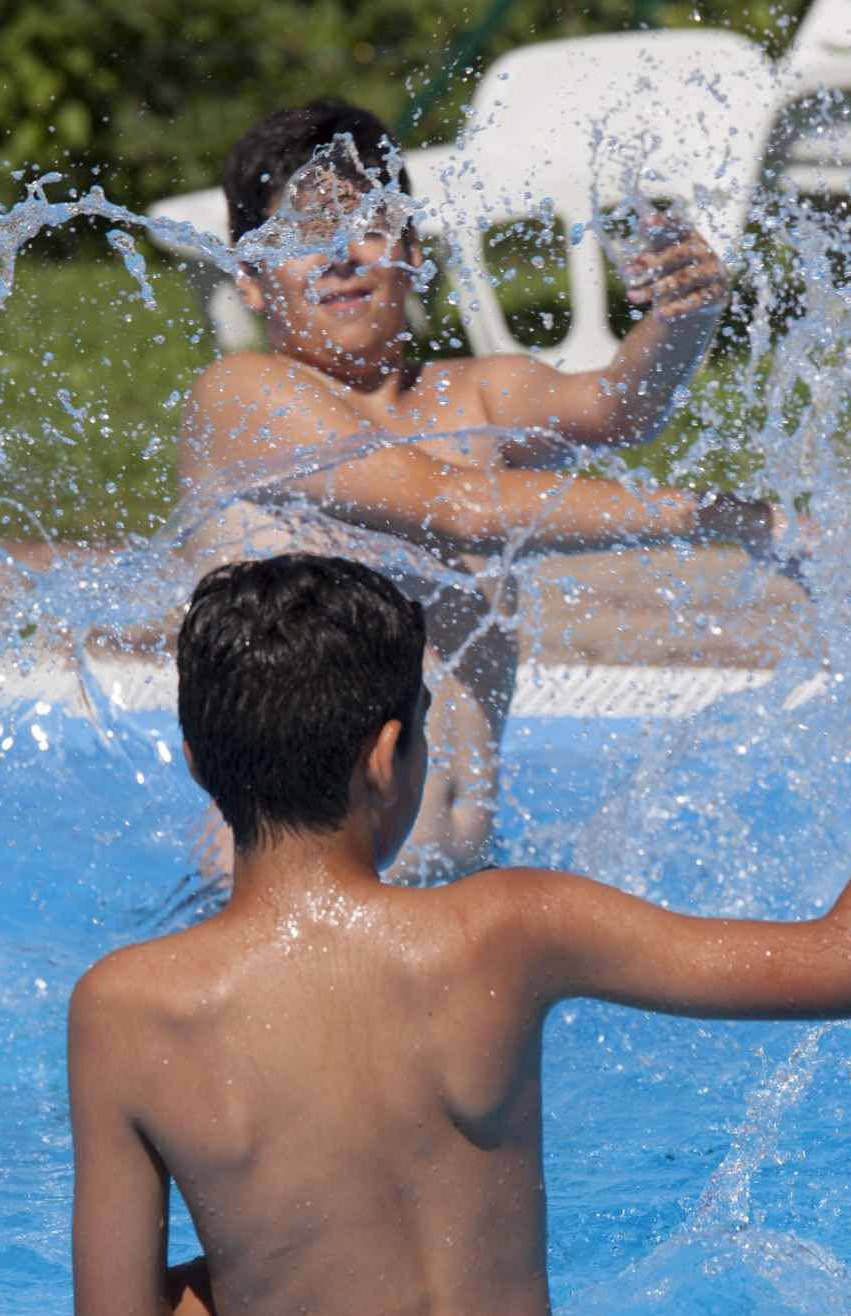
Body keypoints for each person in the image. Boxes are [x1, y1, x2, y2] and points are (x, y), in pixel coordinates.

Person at [68, 539, 851, 1316]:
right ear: (387, 757)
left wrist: (284, 1238)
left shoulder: (126, 1010)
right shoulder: (504, 932)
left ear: (197, 758)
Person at [178, 99, 802, 880]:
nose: (340, 256)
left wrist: (685, 314)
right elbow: (460, 508)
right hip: (287, 906)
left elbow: (622, 407)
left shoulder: (475, 395)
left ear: (411, 247)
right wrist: (719, 518)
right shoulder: (242, 398)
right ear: (250, 279)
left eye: (368, 225)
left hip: (456, 895)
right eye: (302, 237)